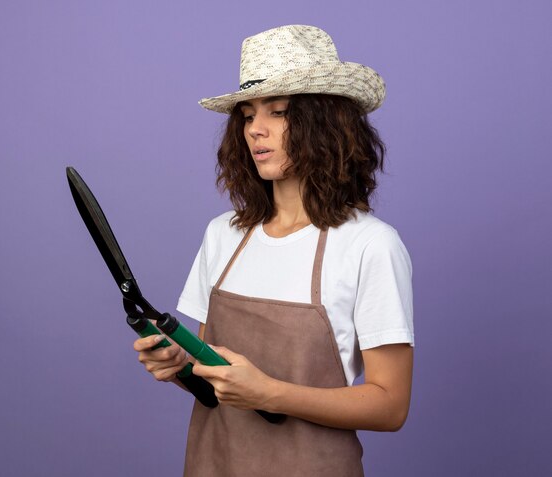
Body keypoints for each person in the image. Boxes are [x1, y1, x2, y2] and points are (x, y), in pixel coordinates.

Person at [134, 25, 414, 476]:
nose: (255, 130)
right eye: (247, 116)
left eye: (278, 111)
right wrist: (182, 365)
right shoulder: (223, 234)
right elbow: (214, 378)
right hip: (213, 464)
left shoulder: (370, 245)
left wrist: (270, 393)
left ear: (326, 123)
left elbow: (390, 405)